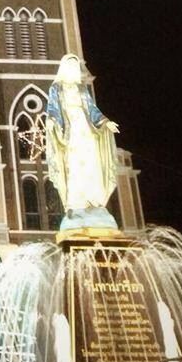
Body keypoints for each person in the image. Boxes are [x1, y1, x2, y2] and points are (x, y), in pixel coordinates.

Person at [45, 54, 120, 230]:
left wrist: (106, 122)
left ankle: (93, 203)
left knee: (91, 165)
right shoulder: (57, 88)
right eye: (70, 67)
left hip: (85, 131)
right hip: (71, 135)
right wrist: (51, 120)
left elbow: (92, 110)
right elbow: (53, 109)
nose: (74, 70)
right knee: (74, 167)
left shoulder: (81, 89)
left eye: (75, 67)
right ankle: (75, 203)